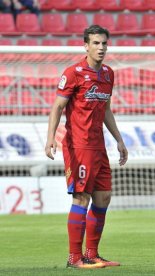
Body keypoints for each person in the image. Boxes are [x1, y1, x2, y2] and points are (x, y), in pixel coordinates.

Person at [45, 25, 128, 269]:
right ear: (86, 46)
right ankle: (74, 258)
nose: (101, 48)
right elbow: (57, 108)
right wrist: (50, 138)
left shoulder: (108, 74)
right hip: (78, 145)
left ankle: (92, 254)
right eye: (96, 43)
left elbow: (107, 110)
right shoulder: (73, 73)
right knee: (82, 198)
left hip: (99, 146)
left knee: (103, 198)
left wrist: (119, 139)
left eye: (104, 43)